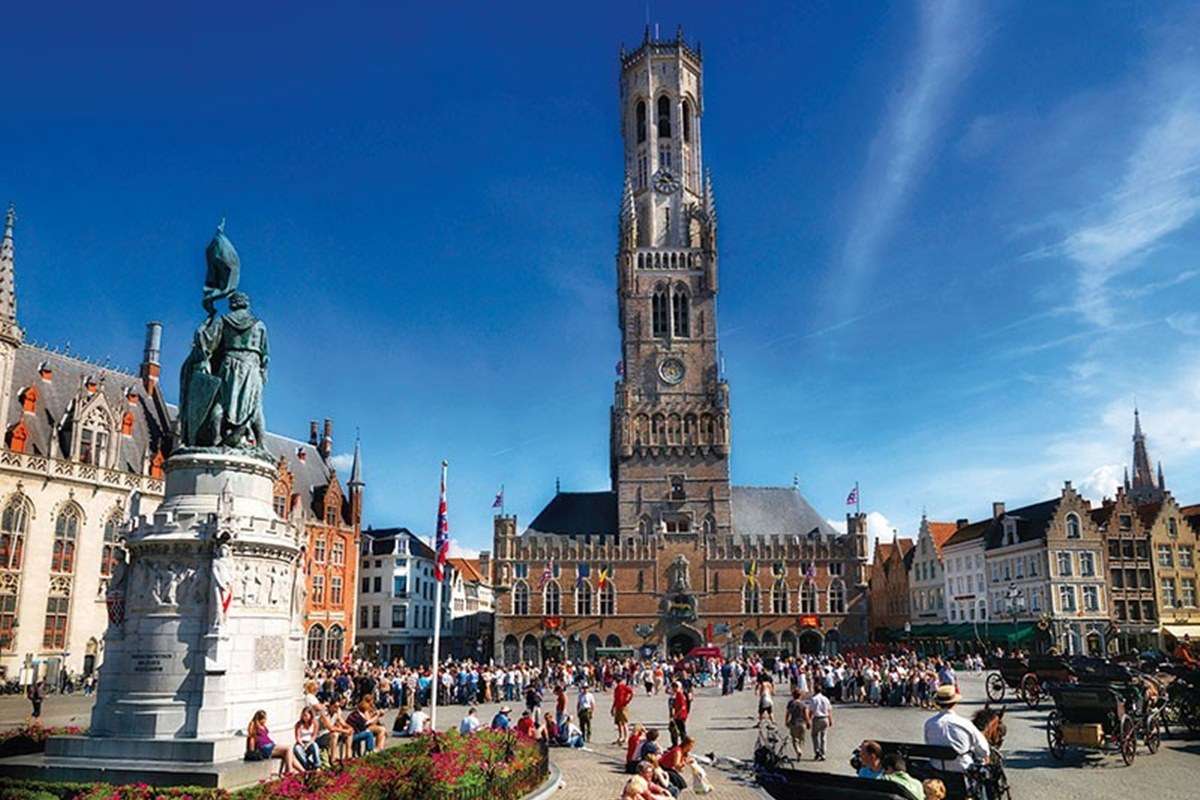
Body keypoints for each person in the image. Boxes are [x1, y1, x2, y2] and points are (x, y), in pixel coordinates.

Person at [923, 686, 989, 775]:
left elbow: (928, 742)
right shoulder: (964, 723)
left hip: (937, 767)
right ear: (954, 703)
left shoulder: (929, 723)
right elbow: (984, 750)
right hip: (962, 769)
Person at [807, 685, 832, 761]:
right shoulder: (825, 699)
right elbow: (829, 710)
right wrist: (830, 720)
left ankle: (817, 751)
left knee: (814, 735)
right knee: (823, 737)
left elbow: (811, 711)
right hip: (825, 718)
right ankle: (823, 753)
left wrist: (809, 720)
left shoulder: (814, 699)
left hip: (817, 718)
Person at [293, 706, 321, 771]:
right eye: (303, 715)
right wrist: (302, 744)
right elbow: (298, 737)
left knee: (315, 746)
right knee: (297, 749)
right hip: (301, 742)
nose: (304, 717)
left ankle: (317, 765)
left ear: (310, 715)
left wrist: (308, 744)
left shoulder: (315, 723)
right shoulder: (299, 724)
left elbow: (314, 736)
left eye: (306, 715)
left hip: (310, 742)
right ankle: (307, 765)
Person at [785, 687, 809, 759]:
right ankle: (800, 749)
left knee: (794, 739)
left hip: (793, 722)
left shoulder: (791, 703)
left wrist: (786, 721)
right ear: (800, 695)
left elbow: (788, 713)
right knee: (802, 739)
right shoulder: (803, 704)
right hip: (802, 723)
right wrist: (808, 722)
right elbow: (806, 714)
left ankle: (798, 750)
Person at [613, 677, 634, 745]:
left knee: (624, 722)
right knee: (618, 723)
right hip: (618, 707)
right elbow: (615, 699)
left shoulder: (624, 687)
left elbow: (631, 692)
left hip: (623, 706)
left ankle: (626, 737)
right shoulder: (616, 689)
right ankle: (620, 736)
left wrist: (627, 701)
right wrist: (613, 707)